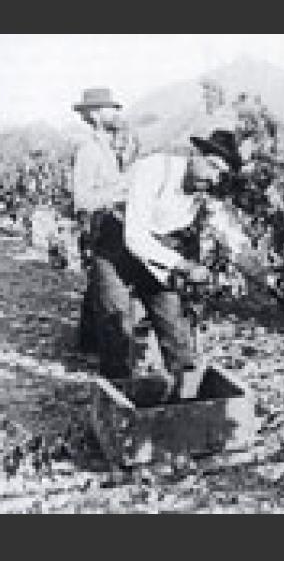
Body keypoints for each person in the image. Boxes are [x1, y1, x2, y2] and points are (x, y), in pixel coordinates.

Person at [94, 129, 241, 404]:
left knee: (174, 329)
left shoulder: (204, 191)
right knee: (116, 327)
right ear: (195, 155)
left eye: (220, 174)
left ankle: (183, 406)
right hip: (117, 248)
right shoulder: (153, 169)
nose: (212, 176)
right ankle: (118, 410)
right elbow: (134, 237)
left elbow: (222, 230)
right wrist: (183, 265)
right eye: (211, 165)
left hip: (158, 256)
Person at [70, 87, 127, 353]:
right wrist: (119, 192)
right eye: (110, 108)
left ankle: (87, 343)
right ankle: (97, 345)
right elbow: (81, 199)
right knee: (105, 281)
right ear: (94, 115)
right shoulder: (89, 150)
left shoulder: (108, 146)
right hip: (99, 224)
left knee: (99, 282)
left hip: (108, 222)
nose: (116, 112)